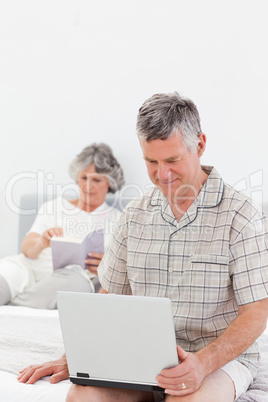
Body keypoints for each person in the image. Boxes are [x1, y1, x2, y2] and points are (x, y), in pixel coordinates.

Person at [18, 92, 268, 401]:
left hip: (214, 357)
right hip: (138, 352)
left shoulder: (242, 215)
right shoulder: (134, 214)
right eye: (151, 162)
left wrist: (202, 364)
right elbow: (109, 296)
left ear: (200, 145)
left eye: (173, 160)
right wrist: (76, 357)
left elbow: (256, 312)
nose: (162, 175)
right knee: (82, 396)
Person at [0, 143, 124, 309]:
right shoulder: (54, 207)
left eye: (96, 179)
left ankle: (10, 310)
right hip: (28, 269)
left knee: (75, 285)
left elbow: (121, 272)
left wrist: (105, 267)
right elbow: (27, 249)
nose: (88, 186)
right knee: (6, 272)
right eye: (84, 178)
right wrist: (42, 242)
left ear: (110, 182)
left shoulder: (119, 219)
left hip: (70, 278)